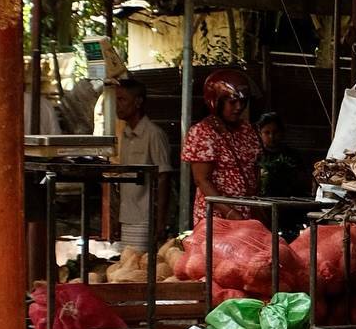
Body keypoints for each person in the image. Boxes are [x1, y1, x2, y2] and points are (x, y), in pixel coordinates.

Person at [182, 67, 262, 235]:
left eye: (243, 101)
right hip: (216, 219)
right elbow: (201, 180)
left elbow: (254, 169)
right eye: (232, 102)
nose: (239, 107)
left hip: (247, 217)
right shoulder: (202, 132)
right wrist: (231, 213)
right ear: (216, 102)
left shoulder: (247, 129)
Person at [111, 77, 172, 250]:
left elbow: (163, 178)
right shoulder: (125, 135)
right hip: (126, 217)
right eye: (117, 99)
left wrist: (159, 223)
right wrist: (117, 219)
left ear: (138, 102)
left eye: (122, 99)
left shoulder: (154, 134)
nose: (118, 105)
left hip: (144, 220)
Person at [255, 111, 307, 198]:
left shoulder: (293, 156)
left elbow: (301, 181)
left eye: (275, 132)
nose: (272, 136)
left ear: (282, 132)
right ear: (260, 134)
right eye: (267, 133)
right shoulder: (257, 156)